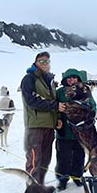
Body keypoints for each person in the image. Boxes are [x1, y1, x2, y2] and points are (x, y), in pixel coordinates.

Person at [20, 51, 66, 185]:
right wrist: (55, 106)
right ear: (35, 63)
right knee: (34, 159)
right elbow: (32, 100)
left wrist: (57, 117)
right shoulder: (29, 78)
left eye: (47, 61)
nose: (45, 63)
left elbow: (54, 99)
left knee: (45, 159)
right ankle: (32, 190)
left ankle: (39, 186)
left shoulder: (50, 81)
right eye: (41, 61)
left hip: (49, 126)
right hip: (35, 126)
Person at [55, 68, 97, 190]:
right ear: (65, 80)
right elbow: (54, 106)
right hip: (64, 130)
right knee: (63, 157)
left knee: (79, 156)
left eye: (74, 77)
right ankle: (62, 179)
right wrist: (57, 120)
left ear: (78, 79)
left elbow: (92, 104)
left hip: (81, 131)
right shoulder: (59, 92)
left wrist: (91, 113)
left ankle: (77, 177)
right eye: (69, 78)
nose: (71, 80)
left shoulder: (84, 90)